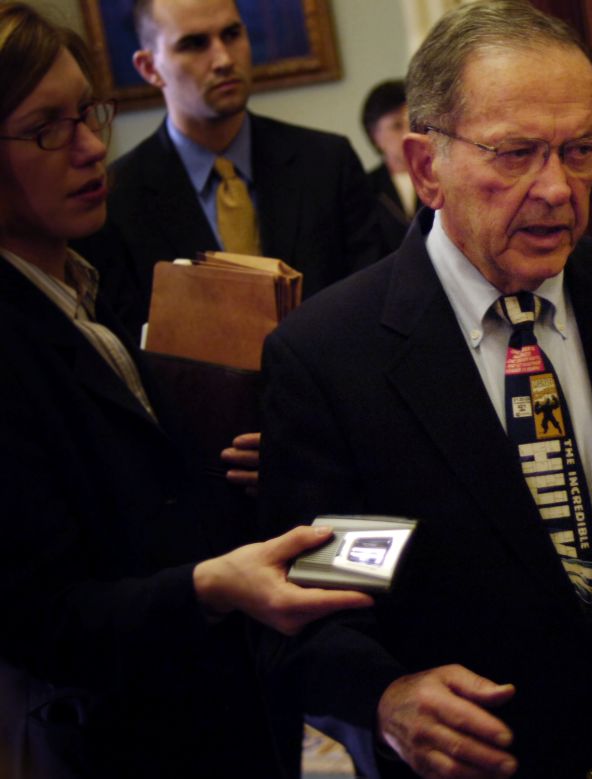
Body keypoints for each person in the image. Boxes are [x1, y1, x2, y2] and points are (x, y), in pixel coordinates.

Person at [258, 2, 592, 777]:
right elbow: (306, 612)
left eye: (579, 149)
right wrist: (384, 693)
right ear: (425, 163)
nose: (556, 188)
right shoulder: (328, 357)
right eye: (515, 154)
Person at [0, 5, 373, 776]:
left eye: (88, 115)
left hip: (213, 685)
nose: (91, 146)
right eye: (47, 129)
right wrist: (212, 582)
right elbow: (41, 613)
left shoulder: (79, 279)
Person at [72, 0, 386, 338]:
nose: (223, 59)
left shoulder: (327, 161)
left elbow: (375, 301)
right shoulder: (118, 197)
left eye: (232, 34)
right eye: (194, 44)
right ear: (149, 68)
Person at [362, 78, 415, 254]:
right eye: (397, 126)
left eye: (413, 123)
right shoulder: (365, 188)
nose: (409, 134)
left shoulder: (440, 177)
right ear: (374, 135)